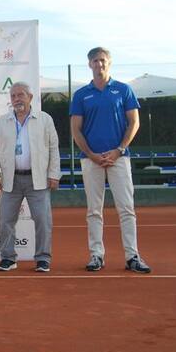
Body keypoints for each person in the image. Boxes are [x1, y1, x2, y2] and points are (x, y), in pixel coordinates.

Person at [70, 47, 151, 274]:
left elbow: (134, 122)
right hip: (91, 160)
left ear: (109, 62)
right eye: (95, 61)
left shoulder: (124, 90)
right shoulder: (81, 94)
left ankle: (132, 256)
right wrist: (91, 154)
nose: (99, 64)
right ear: (90, 64)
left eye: (103, 60)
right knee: (94, 210)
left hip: (119, 158)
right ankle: (96, 255)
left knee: (126, 209)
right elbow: (76, 129)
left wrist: (119, 150)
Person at [0, 82, 60, 273]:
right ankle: (8, 258)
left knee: (43, 220)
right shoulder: (2, 121)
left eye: (21, 95)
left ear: (30, 97)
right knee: (5, 220)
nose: (16, 99)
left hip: (38, 179)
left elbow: (54, 148)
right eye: (13, 96)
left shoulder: (45, 119)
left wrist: (54, 174)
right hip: (10, 179)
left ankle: (43, 258)